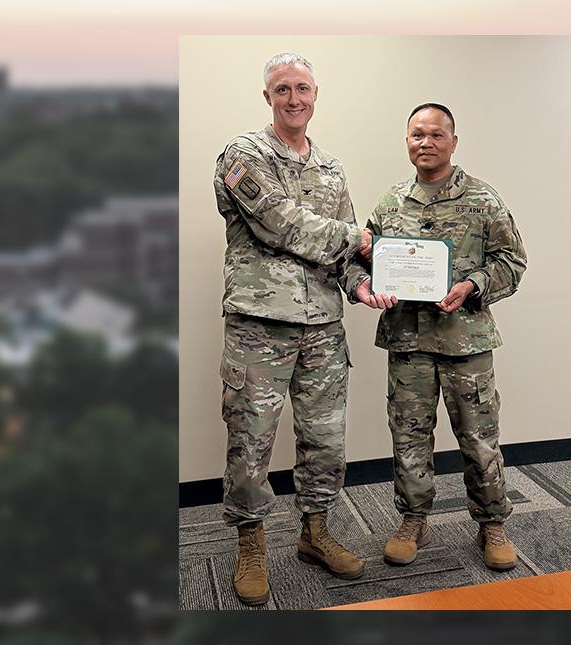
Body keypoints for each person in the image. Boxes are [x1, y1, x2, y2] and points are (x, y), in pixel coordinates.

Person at [213, 52, 390, 606]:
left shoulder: (331, 169)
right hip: (259, 327)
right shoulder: (242, 156)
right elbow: (281, 225)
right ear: (267, 97)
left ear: (317, 95)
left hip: (322, 329)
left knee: (326, 441)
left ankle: (315, 533)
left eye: (304, 89)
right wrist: (358, 240)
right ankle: (252, 542)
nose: (295, 99)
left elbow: (343, 252)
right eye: (283, 89)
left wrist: (360, 284)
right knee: (250, 444)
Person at [363, 103, 527, 571]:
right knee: (409, 437)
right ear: (407, 141)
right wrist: (369, 286)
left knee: (479, 439)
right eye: (417, 135)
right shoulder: (390, 202)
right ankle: (413, 519)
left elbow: (512, 262)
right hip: (408, 341)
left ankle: (492, 523)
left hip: (465, 343)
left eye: (436, 135)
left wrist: (473, 285)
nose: (426, 143)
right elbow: (366, 258)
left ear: (453, 141)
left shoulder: (483, 199)